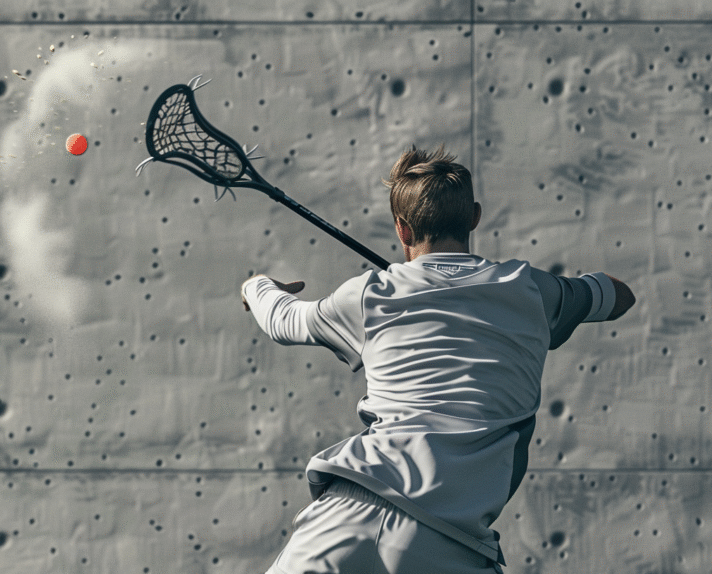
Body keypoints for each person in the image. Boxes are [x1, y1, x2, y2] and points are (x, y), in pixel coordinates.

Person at [241, 145, 637, 574]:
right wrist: (573, 296)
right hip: (451, 544)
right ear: (474, 217)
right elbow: (619, 296)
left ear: (402, 230)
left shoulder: (371, 294)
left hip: (345, 520)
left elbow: (283, 319)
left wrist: (257, 286)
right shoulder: (532, 290)